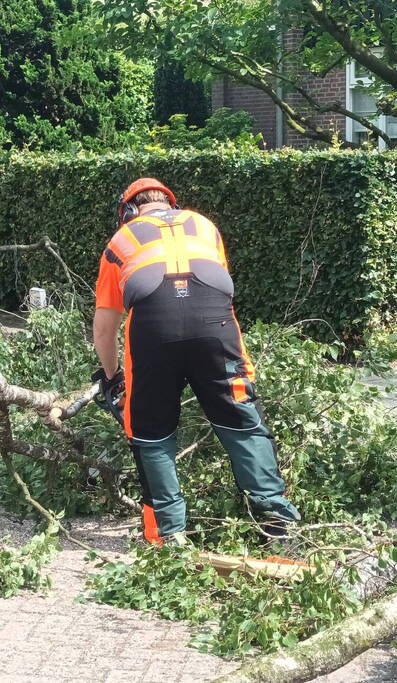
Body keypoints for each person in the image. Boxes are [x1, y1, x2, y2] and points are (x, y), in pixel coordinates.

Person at [92, 177, 300, 545]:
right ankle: (277, 523)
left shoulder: (120, 240)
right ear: (171, 205)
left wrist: (112, 377)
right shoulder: (205, 227)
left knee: (150, 432)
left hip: (153, 331)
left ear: (128, 211)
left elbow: (105, 329)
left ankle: (167, 537)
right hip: (215, 330)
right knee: (242, 418)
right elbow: (216, 287)